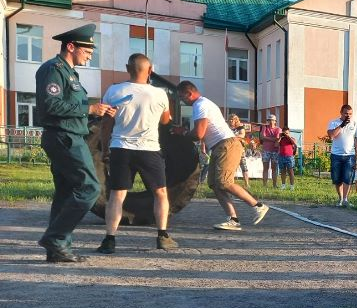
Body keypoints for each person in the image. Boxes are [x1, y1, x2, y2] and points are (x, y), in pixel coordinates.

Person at [35, 23, 115, 263]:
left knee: (66, 192)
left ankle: (58, 249)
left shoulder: (70, 73)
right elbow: (50, 105)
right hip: (64, 137)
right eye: (87, 50)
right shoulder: (53, 69)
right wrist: (88, 107)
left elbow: (70, 108)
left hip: (69, 134)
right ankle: (55, 237)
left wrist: (95, 113)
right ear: (71, 46)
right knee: (89, 188)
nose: (90, 55)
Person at [96, 53, 176, 254]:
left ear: (127, 68)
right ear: (150, 71)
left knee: (117, 195)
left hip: (121, 148)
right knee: (160, 193)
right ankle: (162, 237)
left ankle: (110, 240)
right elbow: (166, 121)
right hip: (149, 149)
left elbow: (106, 124)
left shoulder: (113, 91)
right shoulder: (159, 94)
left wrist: (105, 149)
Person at [175, 81, 269, 230]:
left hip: (227, 145)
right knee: (214, 184)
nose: (181, 100)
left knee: (224, 182)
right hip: (219, 146)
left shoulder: (200, 105)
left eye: (182, 96)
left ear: (189, 93)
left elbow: (199, 134)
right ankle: (233, 219)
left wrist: (183, 134)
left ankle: (258, 206)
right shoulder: (202, 104)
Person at [327, 104, 357, 207]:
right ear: (341, 112)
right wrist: (342, 125)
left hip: (350, 155)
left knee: (347, 177)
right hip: (336, 155)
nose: (348, 116)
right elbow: (331, 135)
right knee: (337, 178)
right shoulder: (333, 122)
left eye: (350, 114)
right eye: (346, 113)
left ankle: (345, 199)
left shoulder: (354, 124)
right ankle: (340, 198)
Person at [260, 115, 282, 188]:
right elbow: (262, 137)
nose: (270, 121)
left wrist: (267, 138)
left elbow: (278, 138)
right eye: (269, 120)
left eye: (272, 120)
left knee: (274, 168)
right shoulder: (264, 127)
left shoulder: (278, 129)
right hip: (266, 150)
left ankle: (274, 185)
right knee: (265, 168)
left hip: (275, 150)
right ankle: (264, 185)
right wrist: (273, 139)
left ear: (275, 121)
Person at [230, 115, 250, 188]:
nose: (231, 121)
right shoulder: (227, 128)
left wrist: (232, 138)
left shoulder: (240, 127)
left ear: (236, 120)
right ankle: (231, 183)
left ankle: (247, 184)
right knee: (231, 167)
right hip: (230, 150)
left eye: (232, 119)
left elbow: (242, 135)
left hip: (240, 149)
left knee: (244, 166)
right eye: (230, 119)